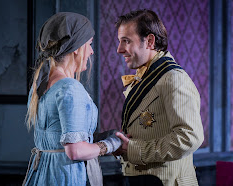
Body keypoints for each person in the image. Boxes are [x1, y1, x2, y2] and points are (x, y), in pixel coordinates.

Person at [22, 12, 121, 186]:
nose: (91, 51)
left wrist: (103, 136)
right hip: (64, 176)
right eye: (89, 44)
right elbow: (75, 151)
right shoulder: (70, 88)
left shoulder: (41, 84)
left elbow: (60, 135)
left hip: (43, 175)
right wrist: (112, 144)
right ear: (76, 48)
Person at [113, 9, 204, 186]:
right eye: (120, 41)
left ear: (150, 41)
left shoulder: (173, 78)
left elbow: (189, 137)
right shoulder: (147, 76)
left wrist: (134, 149)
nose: (119, 49)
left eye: (126, 41)